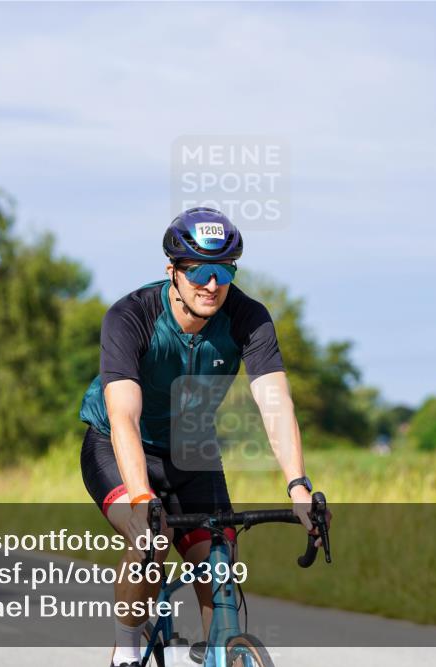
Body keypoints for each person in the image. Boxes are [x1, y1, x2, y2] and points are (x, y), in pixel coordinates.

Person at [79, 207, 319, 667]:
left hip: (191, 448)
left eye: (224, 270)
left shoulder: (249, 318)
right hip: (118, 444)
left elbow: (275, 404)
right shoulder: (131, 316)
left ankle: (218, 652)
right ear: (172, 270)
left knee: (220, 566)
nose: (212, 284)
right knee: (149, 540)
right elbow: (124, 417)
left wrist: (297, 484)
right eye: (199, 271)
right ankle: (126, 647)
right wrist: (142, 499)